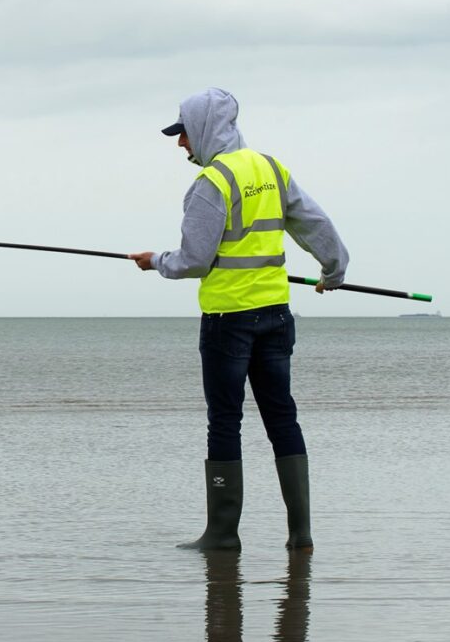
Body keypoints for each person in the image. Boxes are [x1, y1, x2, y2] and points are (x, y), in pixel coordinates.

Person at [130, 87, 348, 552]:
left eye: (184, 132)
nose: (181, 143)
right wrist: (334, 270)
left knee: (225, 422)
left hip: (228, 321)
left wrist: (156, 262)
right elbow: (314, 223)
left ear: (205, 128)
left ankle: (223, 535)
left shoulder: (212, 182)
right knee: (282, 418)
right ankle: (301, 535)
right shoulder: (271, 169)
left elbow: (193, 260)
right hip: (276, 317)